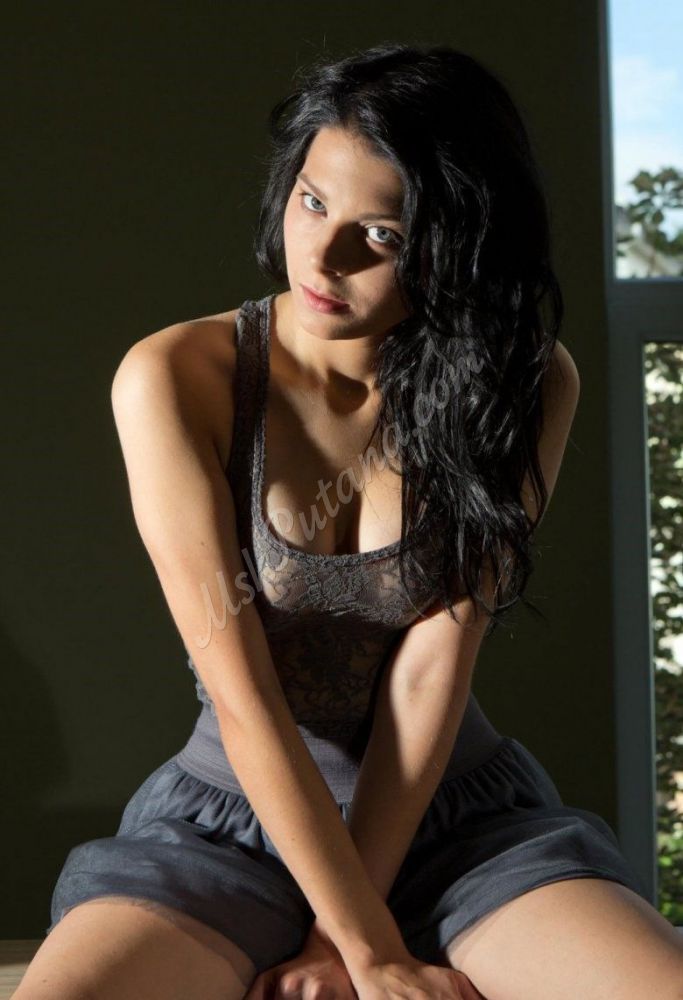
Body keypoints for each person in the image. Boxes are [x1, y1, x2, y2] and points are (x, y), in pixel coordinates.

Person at [16, 42, 683, 1000]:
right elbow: (244, 694)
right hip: (232, 827)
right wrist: (365, 945)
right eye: (311, 202)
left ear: (458, 246)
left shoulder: (523, 383)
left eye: (381, 235)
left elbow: (431, 674)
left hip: (456, 821)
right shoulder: (175, 377)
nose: (323, 257)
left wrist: (343, 944)